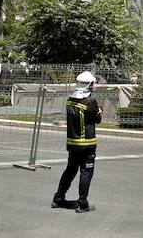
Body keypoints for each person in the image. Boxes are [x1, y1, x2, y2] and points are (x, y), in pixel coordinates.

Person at [53, 71, 102, 212]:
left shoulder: (70, 100)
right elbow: (97, 119)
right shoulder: (90, 101)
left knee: (70, 170)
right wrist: (99, 111)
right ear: (90, 85)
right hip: (87, 145)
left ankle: (58, 198)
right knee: (86, 172)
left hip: (73, 144)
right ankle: (82, 203)